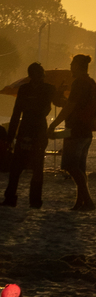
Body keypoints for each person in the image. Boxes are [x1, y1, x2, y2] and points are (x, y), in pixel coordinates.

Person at [48, 53, 96, 213]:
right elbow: (73, 105)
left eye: (72, 65)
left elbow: (70, 107)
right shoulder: (89, 82)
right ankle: (80, 202)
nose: (70, 68)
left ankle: (87, 201)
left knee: (70, 166)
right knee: (79, 169)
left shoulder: (79, 83)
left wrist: (53, 124)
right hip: (86, 131)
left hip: (76, 131)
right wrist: (59, 99)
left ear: (78, 67)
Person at [3, 63, 55, 209]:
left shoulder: (47, 89)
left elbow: (55, 103)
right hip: (28, 129)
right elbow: (16, 112)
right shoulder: (28, 89)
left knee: (36, 167)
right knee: (18, 167)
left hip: (36, 130)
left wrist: (10, 136)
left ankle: (34, 201)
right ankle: (16, 199)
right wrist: (10, 136)